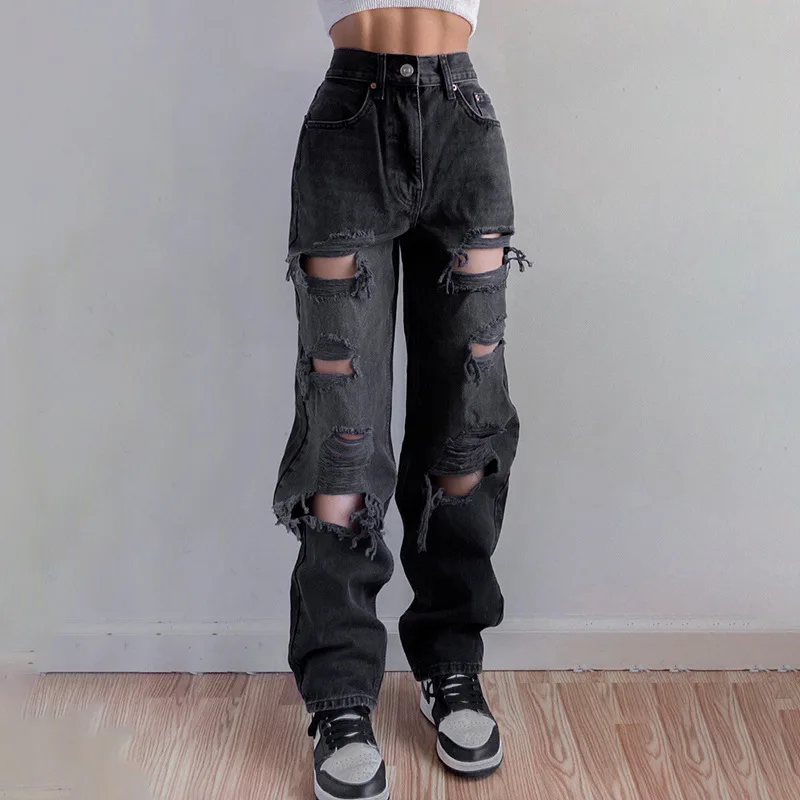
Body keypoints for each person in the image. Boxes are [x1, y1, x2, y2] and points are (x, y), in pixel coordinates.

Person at [273, 3, 530, 798]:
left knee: (465, 427)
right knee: (341, 441)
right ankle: (341, 697)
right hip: (348, 130)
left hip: (464, 128)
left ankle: (451, 662)